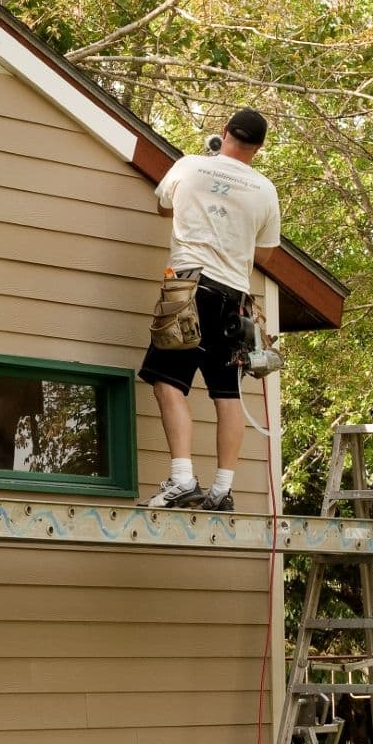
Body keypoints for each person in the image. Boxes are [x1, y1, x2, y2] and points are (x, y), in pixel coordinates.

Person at [137, 109, 280, 511]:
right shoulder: (265, 190)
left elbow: (162, 206)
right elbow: (265, 253)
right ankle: (222, 490)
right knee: (226, 392)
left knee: (167, 380)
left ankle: (182, 480)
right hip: (235, 299)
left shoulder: (190, 166)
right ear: (259, 147)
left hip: (189, 289)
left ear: (224, 133)